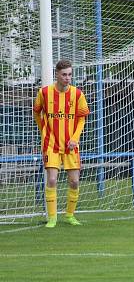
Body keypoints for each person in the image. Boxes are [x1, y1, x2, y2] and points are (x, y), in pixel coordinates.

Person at [32, 59, 90, 228]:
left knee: (74, 182)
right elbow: (36, 113)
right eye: (64, 74)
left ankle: (69, 215)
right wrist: (43, 128)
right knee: (51, 179)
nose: (67, 78)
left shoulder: (78, 94)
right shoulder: (44, 93)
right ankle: (52, 218)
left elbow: (81, 118)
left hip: (71, 144)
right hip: (51, 144)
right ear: (57, 74)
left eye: (70, 75)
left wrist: (75, 138)